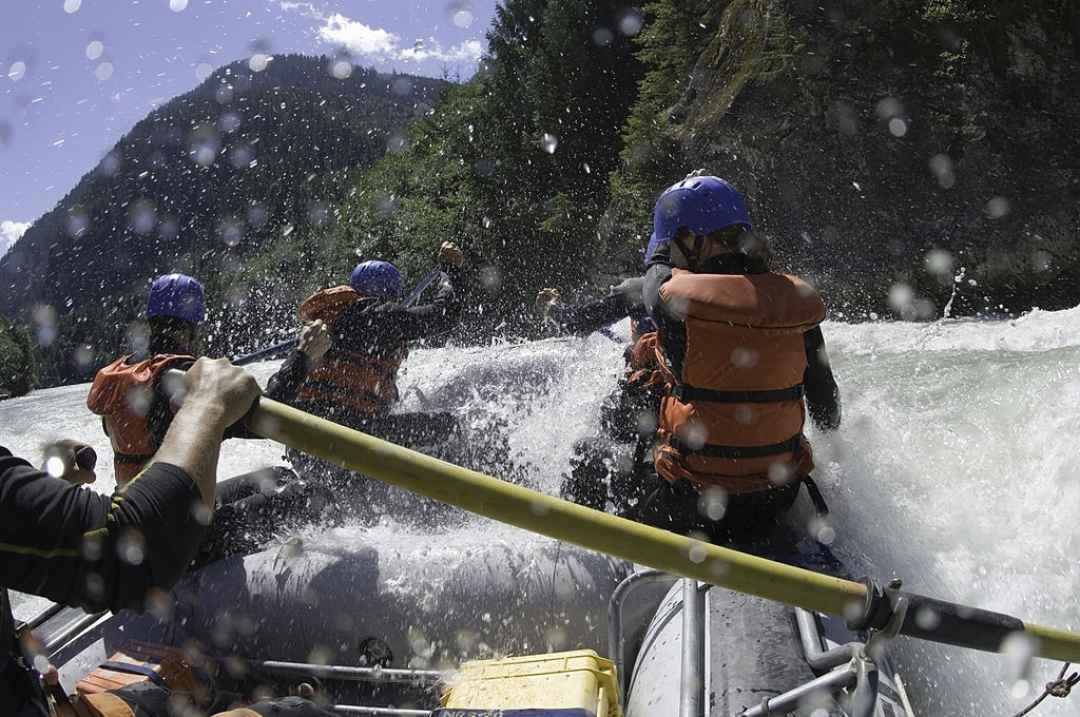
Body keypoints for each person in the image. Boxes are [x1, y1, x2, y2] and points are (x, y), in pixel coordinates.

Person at [0, 358, 341, 716]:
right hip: (170, 540)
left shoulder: (134, 377)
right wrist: (211, 399)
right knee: (301, 713)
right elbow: (131, 557)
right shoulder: (172, 376)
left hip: (37, 699)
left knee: (170, 699)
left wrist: (46, 494)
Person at [634, 173, 841, 545]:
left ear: (693, 241)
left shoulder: (674, 303)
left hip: (693, 506)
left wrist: (663, 255)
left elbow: (654, 284)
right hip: (777, 499)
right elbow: (828, 411)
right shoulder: (793, 305)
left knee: (637, 387)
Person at [277, 243, 469, 521]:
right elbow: (445, 314)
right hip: (352, 439)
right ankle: (448, 513)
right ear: (388, 294)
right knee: (447, 427)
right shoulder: (376, 316)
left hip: (307, 446)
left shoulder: (329, 321)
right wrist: (452, 272)